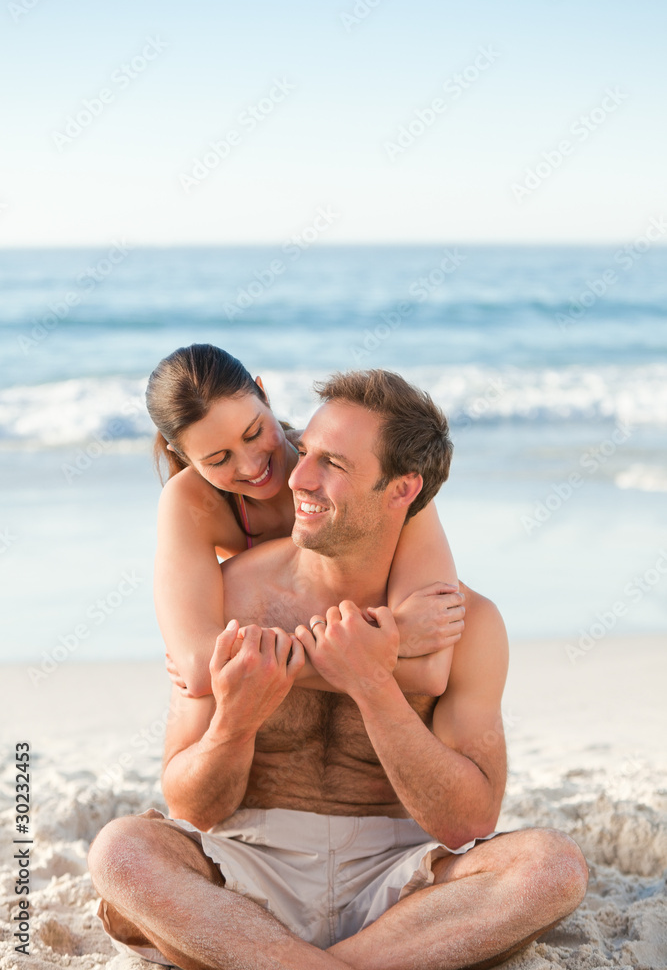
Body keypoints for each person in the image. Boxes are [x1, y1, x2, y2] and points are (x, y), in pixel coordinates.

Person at [88, 369, 588, 970]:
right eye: (305, 453)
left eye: (331, 463)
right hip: (245, 872)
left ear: (403, 490)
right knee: (121, 851)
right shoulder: (225, 605)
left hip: (402, 884)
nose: (291, 475)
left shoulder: (463, 623)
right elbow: (193, 808)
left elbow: (468, 821)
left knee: (553, 867)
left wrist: (373, 686)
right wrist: (235, 724)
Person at [146, 344, 465, 699]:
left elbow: (429, 673)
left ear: (264, 395)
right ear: (183, 456)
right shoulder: (189, 502)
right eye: (219, 459)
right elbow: (199, 667)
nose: (252, 466)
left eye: (253, 433)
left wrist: (245, 665)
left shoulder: (367, 476)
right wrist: (395, 634)